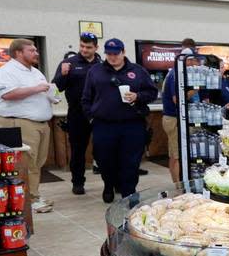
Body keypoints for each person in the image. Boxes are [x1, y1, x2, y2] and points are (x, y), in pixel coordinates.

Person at [82, 38, 158, 203]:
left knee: (131, 161)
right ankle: (109, 185)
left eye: (116, 53)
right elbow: (86, 98)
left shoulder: (138, 71)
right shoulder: (95, 71)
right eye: (109, 54)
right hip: (103, 124)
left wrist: (138, 96)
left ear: (123, 52)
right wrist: (91, 117)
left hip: (132, 124)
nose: (112, 57)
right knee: (104, 160)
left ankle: (129, 192)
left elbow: (152, 93)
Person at [0, 39, 58, 214]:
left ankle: (33, 195)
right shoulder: (6, 72)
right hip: (20, 122)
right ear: (18, 53)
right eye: (32, 50)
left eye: (36, 50)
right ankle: (28, 200)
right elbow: (8, 94)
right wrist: (37, 89)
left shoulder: (36, 72)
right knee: (25, 163)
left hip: (41, 124)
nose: (36, 53)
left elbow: (41, 91)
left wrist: (51, 95)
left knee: (36, 163)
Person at [53, 33, 101, 195]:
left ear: (96, 47)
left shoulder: (102, 64)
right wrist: (63, 74)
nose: (84, 50)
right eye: (82, 46)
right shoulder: (69, 63)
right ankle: (78, 182)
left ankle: (111, 182)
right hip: (77, 114)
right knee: (78, 150)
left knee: (105, 149)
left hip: (99, 114)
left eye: (88, 47)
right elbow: (57, 87)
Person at [159, 48, 199, 184]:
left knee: (174, 154)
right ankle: (179, 187)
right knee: (178, 156)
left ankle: (177, 184)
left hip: (173, 118)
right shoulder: (176, 74)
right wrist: (196, 88)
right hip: (175, 119)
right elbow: (178, 100)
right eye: (193, 61)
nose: (195, 64)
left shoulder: (176, 73)